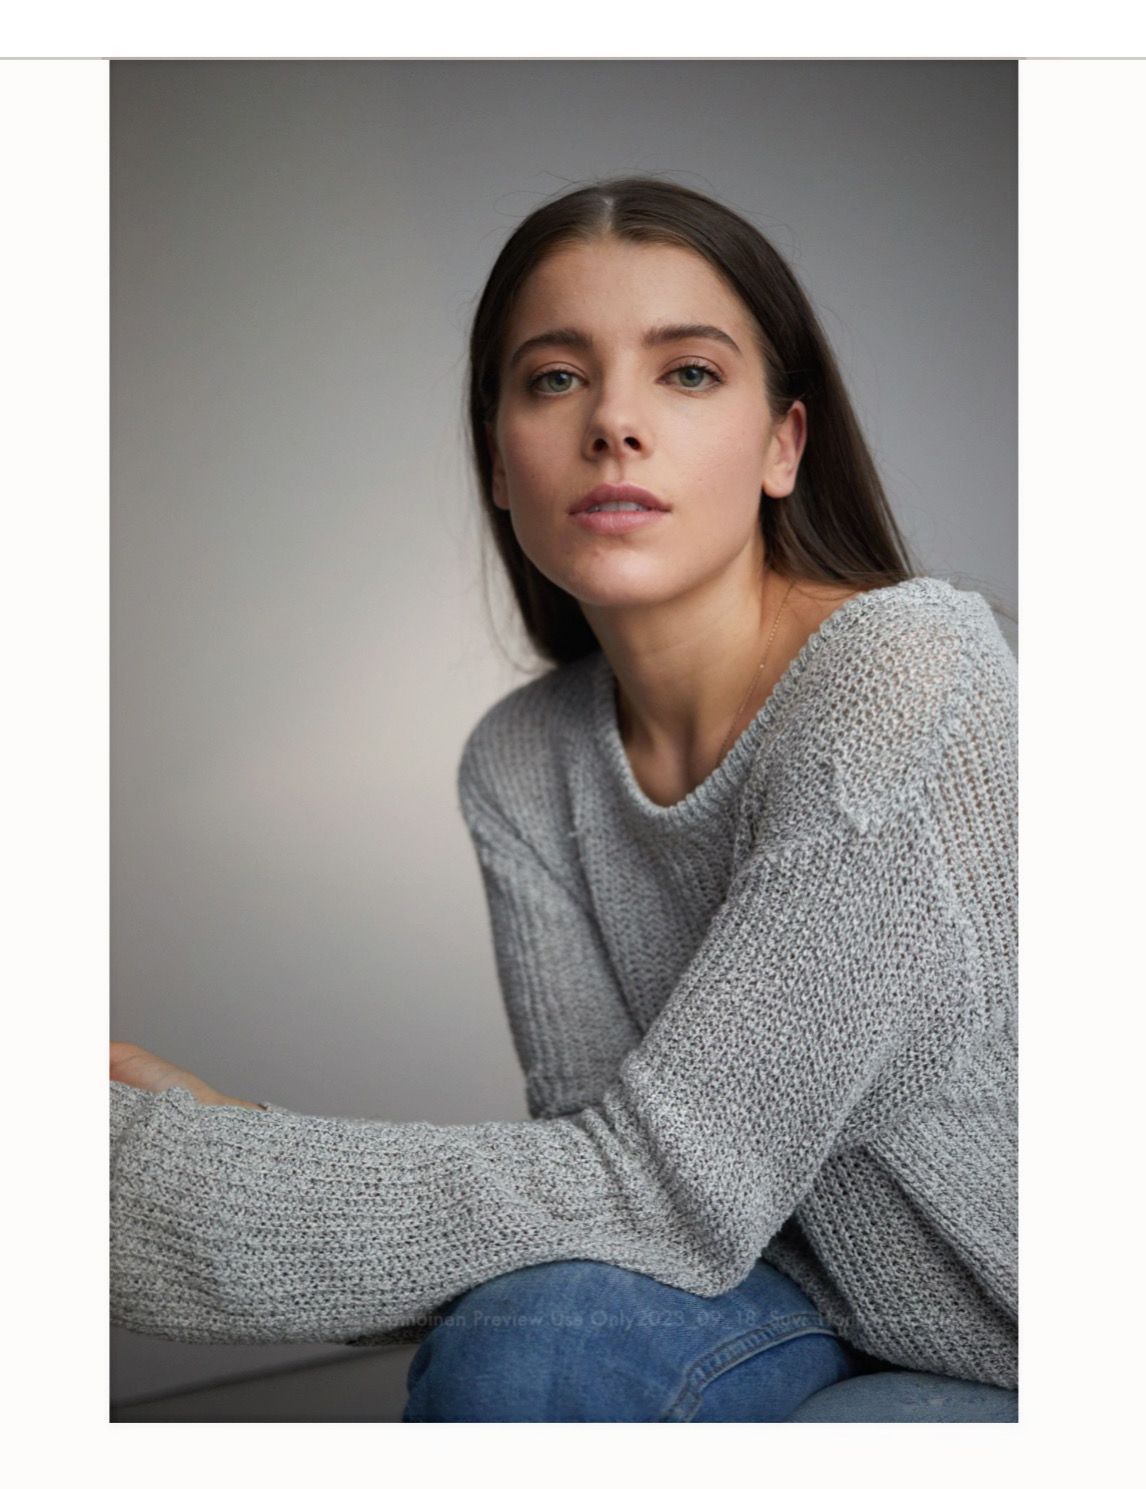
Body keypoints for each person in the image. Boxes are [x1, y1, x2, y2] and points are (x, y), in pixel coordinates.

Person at [110, 176, 1018, 1422]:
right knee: (528, 1338)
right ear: (498, 457)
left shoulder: (906, 670)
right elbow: (593, 1213)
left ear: (782, 445)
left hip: (1019, 1335)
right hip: (782, 1288)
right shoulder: (524, 762)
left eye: (688, 372)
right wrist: (240, 1141)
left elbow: (647, 1190)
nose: (615, 425)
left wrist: (173, 1176)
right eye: (554, 377)